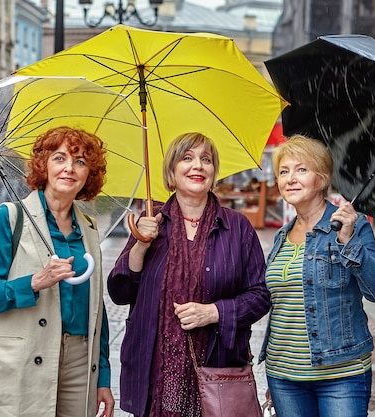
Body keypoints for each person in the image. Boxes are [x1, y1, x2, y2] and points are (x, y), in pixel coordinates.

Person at [108, 132, 271, 417]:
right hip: (153, 375)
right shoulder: (152, 223)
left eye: (206, 159)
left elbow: (260, 295)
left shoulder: (238, 227)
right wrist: (140, 247)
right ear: (171, 171)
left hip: (217, 370)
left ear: (213, 172)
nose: (198, 165)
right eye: (187, 158)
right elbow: (120, 293)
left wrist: (214, 312)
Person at [0, 126, 114, 417]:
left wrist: (103, 376)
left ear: (90, 174)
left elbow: (96, 307)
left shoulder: (88, 227)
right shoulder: (10, 217)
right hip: (24, 354)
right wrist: (35, 282)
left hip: (79, 359)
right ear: (44, 165)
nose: (69, 168)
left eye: (81, 161)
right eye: (59, 158)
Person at [259, 134, 375, 417]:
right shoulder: (282, 236)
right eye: (284, 172)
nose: (290, 178)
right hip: (284, 376)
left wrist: (348, 242)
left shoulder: (350, 227)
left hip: (341, 375)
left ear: (320, 179)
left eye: (301, 169)